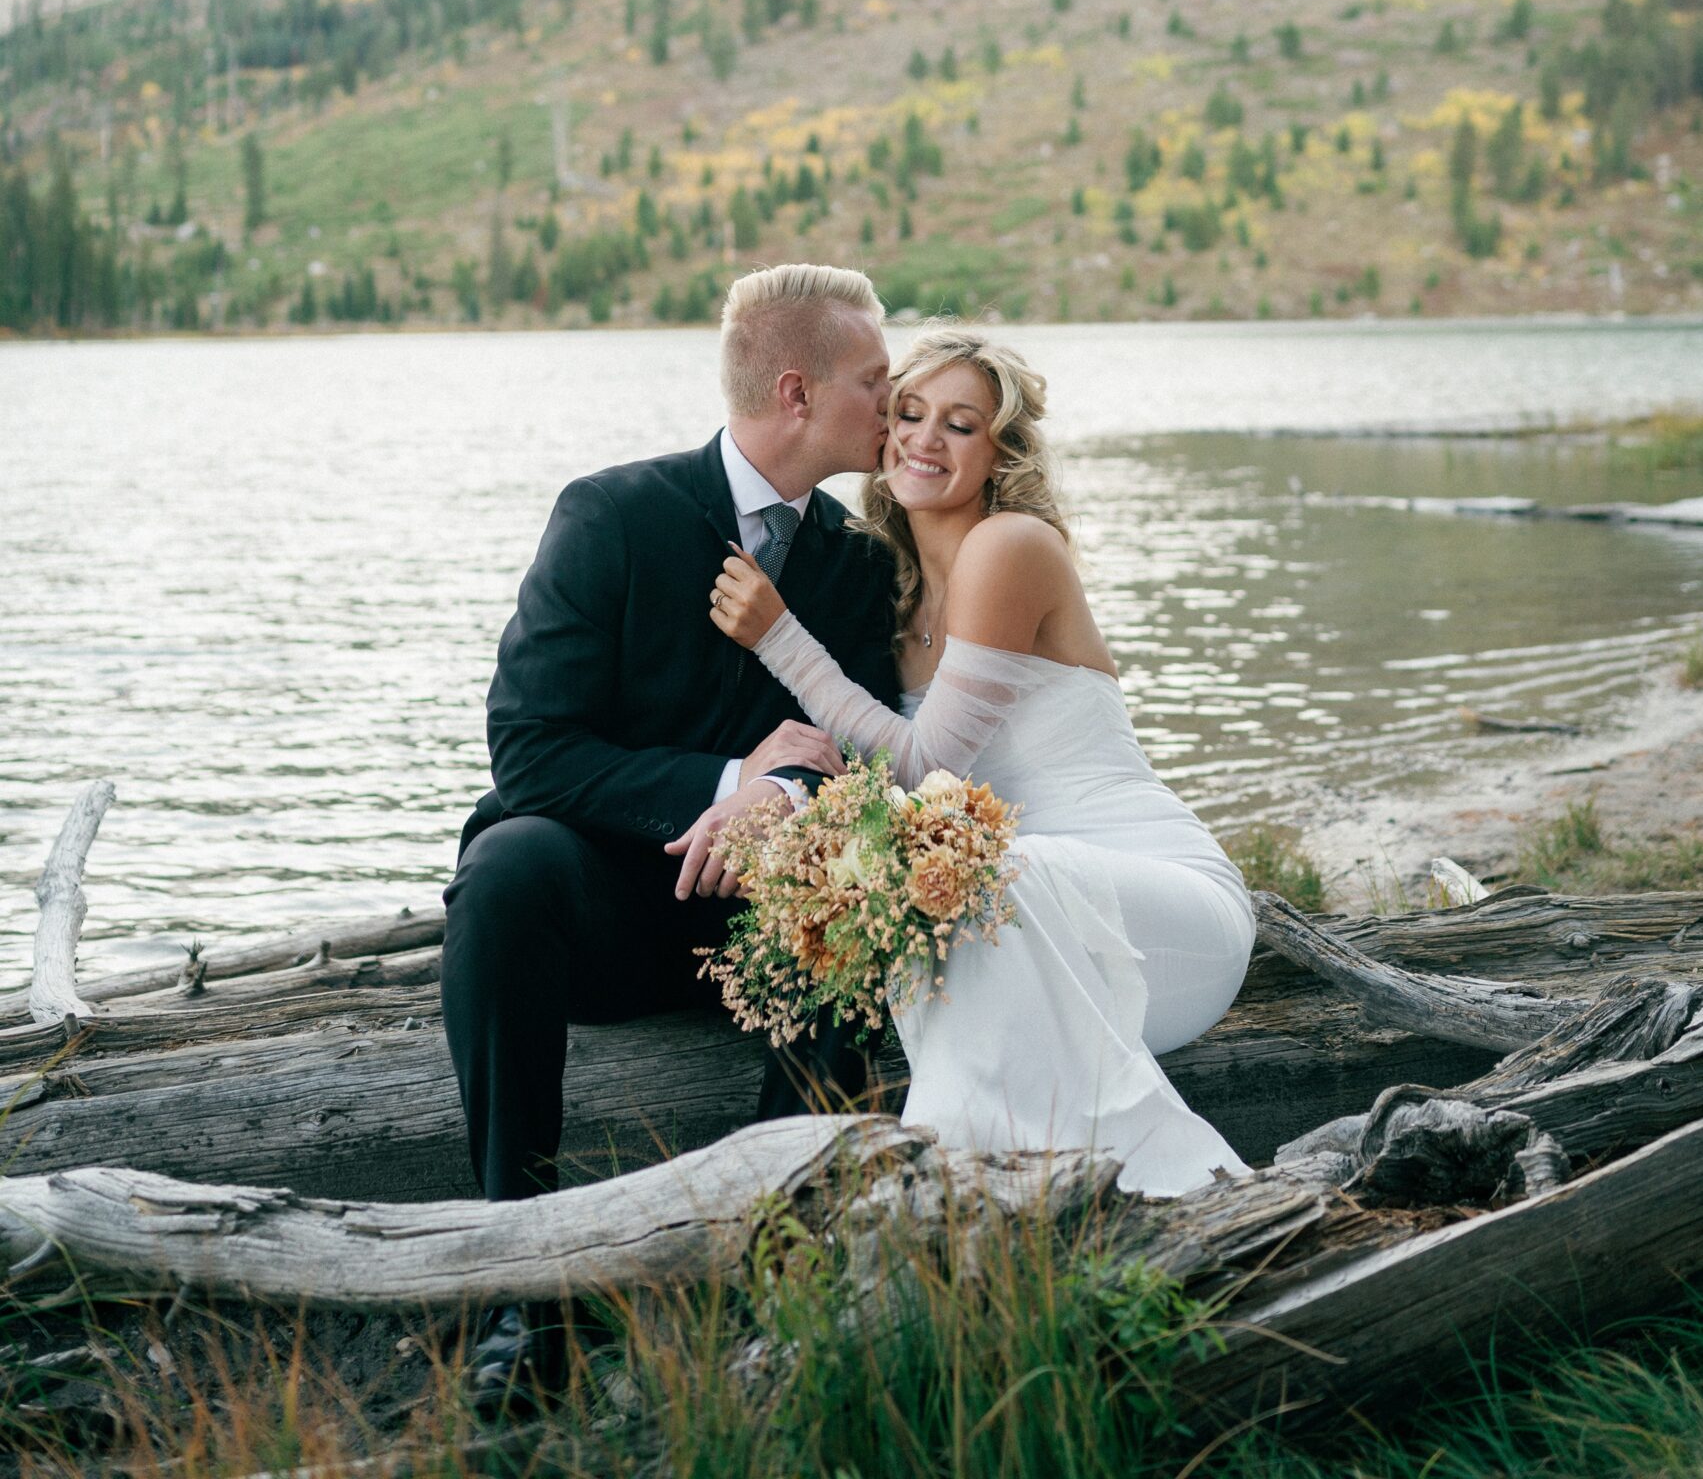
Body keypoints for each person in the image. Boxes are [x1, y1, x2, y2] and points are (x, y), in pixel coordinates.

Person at [440, 261, 897, 1405]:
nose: (891, 405)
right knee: (506, 863)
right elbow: (529, 747)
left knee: (863, 877)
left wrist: (782, 800)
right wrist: (729, 774)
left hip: (767, 929)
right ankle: (521, 1291)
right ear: (795, 391)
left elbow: (865, 759)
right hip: (604, 910)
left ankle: (774, 1274)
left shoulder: (858, 561)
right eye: (874, 380)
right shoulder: (612, 513)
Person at [684, 320, 1255, 1196]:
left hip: (1158, 918)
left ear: (1001, 450)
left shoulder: (1010, 547)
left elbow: (924, 770)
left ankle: (969, 1184)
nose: (922, 438)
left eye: (959, 423)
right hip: (1016, 918)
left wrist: (780, 640)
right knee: (934, 885)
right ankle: (964, 1198)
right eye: (907, 412)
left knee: (970, 874)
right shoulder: (892, 586)